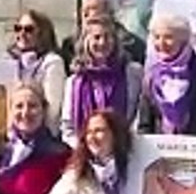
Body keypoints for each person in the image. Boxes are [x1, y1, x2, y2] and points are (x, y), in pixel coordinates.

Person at [61, 15, 143, 146]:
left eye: (108, 37)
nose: (102, 42)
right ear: (86, 41)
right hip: (86, 154)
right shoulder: (74, 81)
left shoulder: (133, 73)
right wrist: (85, 149)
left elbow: (138, 117)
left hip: (125, 150)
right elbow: (67, 127)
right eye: (97, 37)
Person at [60, 0, 147, 69]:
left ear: (110, 13)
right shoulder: (69, 46)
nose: (86, 14)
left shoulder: (131, 45)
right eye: (84, 9)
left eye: (92, 8)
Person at [9, 9, 67, 132]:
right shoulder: (10, 61)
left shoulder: (52, 62)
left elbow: (53, 110)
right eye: (18, 28)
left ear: (42, 33)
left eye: (29, 29)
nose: (22, 33)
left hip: (43, 135)